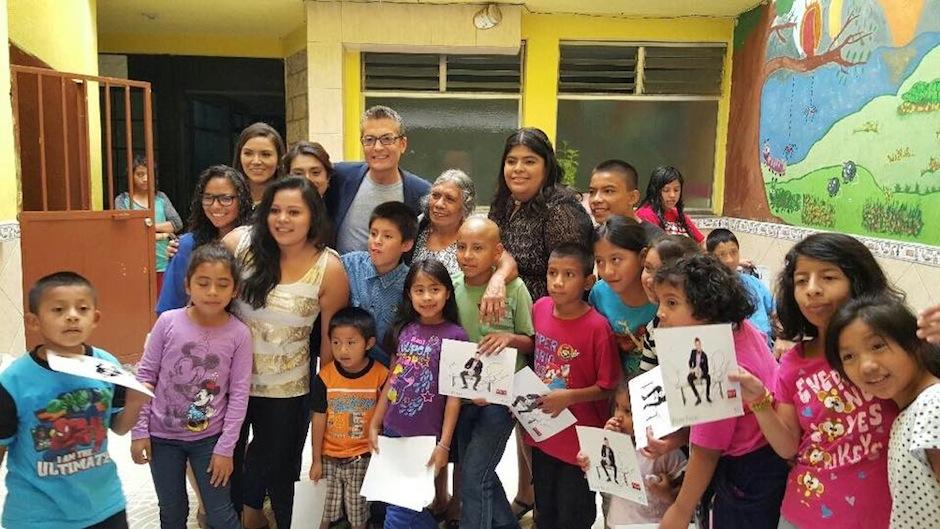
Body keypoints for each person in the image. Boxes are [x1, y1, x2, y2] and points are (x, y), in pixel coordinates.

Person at [730, 233, 900, 529]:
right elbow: (788, 448)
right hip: (804, 515)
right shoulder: (794, 362)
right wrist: (758, 401)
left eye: (828, 277)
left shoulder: (890, 349)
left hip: (883, 517)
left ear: (857, 282)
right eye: (801, 280)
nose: (812, 290)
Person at [223, 176, 349, 529]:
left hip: (288, 392)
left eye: (294, 211)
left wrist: (326, 409)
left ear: (313, 217)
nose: (282, 219)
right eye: (275, 210)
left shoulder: (330, 268)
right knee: (224, 469)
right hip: (230, 386)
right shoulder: (238, 244)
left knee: (282, 479)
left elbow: (329, 348)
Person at [0, 272, 152, 529]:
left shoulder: (106, 366)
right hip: (36, 516)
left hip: (105, 505)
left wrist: (136, 402)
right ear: (34, 321)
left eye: (82, 309)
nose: (72, 315)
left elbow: (119, 427)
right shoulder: (14, 381)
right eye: (58, 309)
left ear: (95, 318)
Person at [655, 255, 787, 529]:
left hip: (742, 476)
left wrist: (680, 510)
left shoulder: (722, 365)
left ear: (706, 308)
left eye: (671, 302)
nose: (660, 313)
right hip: (765, 465)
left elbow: (706, 451)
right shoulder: (741, 329)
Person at [131, 243, 252, 529]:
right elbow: (145, 376)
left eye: (222, 284)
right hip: (161, 439)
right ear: (188, 285)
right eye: (203, 283)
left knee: (221, 513)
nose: (212, 292)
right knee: (171, 512)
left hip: (208, 441)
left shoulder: (239, 334)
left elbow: (238, 395)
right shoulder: (167, 322)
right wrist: (139, 431)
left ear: (234, 290)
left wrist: (225, 448)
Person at [526, 243, 621, 529]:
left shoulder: (597, 327)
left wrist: (569, 397)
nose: (557, 282)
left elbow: (607, 385)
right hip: (542, 434)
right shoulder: (539, 309)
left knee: (574, 515)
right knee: (545, 509)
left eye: (568, 275)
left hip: (580, 445)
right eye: (552, 273)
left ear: (588, 281)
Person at [825, 295, 940, 528]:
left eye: (878, 346)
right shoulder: (911, 411)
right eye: (849, 356)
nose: (866, 366)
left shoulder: (932, 404)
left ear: (916, 343)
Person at [369, 259, 466, 529]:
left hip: (425, 440)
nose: (426, 297)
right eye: (419, 290)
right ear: (409, 294)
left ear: (447, 292)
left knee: (398, 514)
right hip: (392, 432)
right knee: (403, 505)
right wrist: (375, 423)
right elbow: (391, 380)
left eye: (434, 289)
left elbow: (454, 397)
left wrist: (444, 445)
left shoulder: (456, 336)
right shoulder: (402, 331)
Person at [452, 215, 534, 529]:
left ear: (497, 252)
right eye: (461, 247)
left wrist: (509, 338)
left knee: (474, 475)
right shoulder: (453, 287)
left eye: (477, 248)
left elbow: (532, 343)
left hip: (501, 401)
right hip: (462, 397)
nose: (468, 255)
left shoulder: (513, 289)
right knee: (476, 471)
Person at [488, 128, 593, 301]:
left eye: (529, 162)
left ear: (547, 167)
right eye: (511, 161)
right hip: (499, 308)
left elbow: (571, 281)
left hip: (544, 315)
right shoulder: (501, 204)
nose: (518, 169)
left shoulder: (561, 212)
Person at [308, 307, 389, 529]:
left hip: (362, 457)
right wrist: (316, 459)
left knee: (357, 512)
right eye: (336, 343)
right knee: (323, 509)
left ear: (369, 343)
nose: (343, 350)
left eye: (351, 343)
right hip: (329, 456)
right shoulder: (325, 376)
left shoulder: (381, 376)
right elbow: (318, 419)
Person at [576, 379, 685, 526]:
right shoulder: (614, 443)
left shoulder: (665, 452)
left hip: (652, 524)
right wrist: (589, 459)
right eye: (617, 407)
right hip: (617, 522)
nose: (618, 416)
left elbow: (688, 494)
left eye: (628, 411)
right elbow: (598, 475)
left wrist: (667, 494)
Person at [330, 106, 431, 255]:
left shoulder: (422, 193)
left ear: (402, 144)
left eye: (387, 139)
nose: (377, 147)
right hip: (340, 276)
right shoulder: (341, 176)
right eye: (369, 140)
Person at [157, 165, 253, 314]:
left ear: (242, 200)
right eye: (208, 198)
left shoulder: (255, 243)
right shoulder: (185, 246)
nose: (215, 206)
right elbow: (169, 307)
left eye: (225, 198)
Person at [342, 201, 417, 367]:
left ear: (406, 244)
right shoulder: (349, 265)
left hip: (387, 372)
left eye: (387, 236)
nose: (377, 241)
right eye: (373, 233)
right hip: (346, 369)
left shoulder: (411, 284)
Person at [591, 215, 657, 376]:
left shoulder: (662, 296)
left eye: (616, 259)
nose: (607, 271)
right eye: (599, 261)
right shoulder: (599, 294)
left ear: (642, 257)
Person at [115, 154, 183, 292]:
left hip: (163, 261)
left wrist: (149, 226)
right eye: (140, 174)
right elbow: (127, 231)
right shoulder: (122, 200)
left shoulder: (161, 197)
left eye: (149, 174)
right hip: (135, 263)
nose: (145, 178)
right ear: (131, 176)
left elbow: (177, 224)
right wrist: (163, 234)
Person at [706, 228, 775, 344]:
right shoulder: (709, 290)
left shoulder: (753, 283)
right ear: (710, 257)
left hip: (766, 347)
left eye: (734, 252)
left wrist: (784, 337)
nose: (729, 260)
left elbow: (776, 310)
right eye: (722, 254)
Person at [587, 159, 664, 240]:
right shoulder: (591, 238)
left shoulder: (656, 242)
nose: (596, 199)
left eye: (608, 191)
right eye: (592, 192)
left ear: (633, 197)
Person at [634, 166, 703, 243]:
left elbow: (701, 242)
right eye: (666, 190)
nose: (672, 195)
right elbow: (656, 248)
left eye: (676, 190)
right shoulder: (645, 214)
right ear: (655, 191)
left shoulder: (678, 214)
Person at [233, 122, 286, 205]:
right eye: (248, 153)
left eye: (265, 154)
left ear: (279, 160)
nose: (256, 161)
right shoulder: (228, 201)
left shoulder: (291, 201)